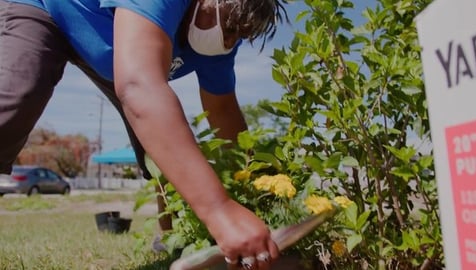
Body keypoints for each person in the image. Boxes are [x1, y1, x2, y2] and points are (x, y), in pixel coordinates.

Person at [0, 0, 288, 269]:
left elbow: (223, 112)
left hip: (113, 49)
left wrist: (254, 191)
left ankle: (173, 242)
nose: (228, 40)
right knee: (14, 102)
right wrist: (220, 211)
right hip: (48, 8)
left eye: (238, 35)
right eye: (228, 27)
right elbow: (139, 87)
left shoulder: (218, 47)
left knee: (164, 146)